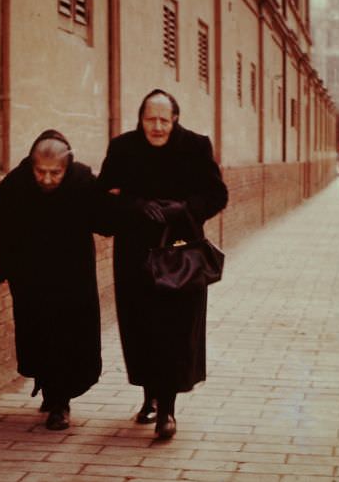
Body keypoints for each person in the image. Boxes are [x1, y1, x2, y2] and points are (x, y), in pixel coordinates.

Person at [97, 89, 228, 440]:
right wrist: (136, 206)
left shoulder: (196, 147)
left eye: (163, 120)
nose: (156, 127)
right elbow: (102, 200)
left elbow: (218, 194)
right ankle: (149, 396)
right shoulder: (123, 148)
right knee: (140, 329)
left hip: (180, 255)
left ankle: (166, 411)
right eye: (149, 119)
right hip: (135, 256)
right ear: (140, 119)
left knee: (174, 330)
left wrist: (184, 210)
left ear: (175, 120)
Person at [0, 129, 108, 431]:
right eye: (41, 171)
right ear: (31, 164)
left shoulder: (82, 181)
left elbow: (104, 221)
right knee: (40, 335)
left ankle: (60, 401)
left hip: (73, 277)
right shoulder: (14, 186)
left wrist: (113, 201)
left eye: (56, 173)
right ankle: (50, 387)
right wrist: (4, 268)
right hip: (32, 278)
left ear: (66, 167)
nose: (48, 179)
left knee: (70, 337)